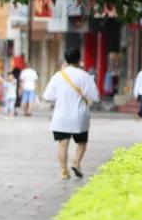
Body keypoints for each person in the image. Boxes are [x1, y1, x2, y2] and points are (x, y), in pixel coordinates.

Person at [42, 47, 100, 180]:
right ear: (79, 59)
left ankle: (64, 171)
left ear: (66, 59)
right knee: (81, 142)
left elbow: (48, 96)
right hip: (79, 116)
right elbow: (96, 97)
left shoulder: (58, 75)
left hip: (61, 116)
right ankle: (76, 163)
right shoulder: (84, 76)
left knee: (63, 144)